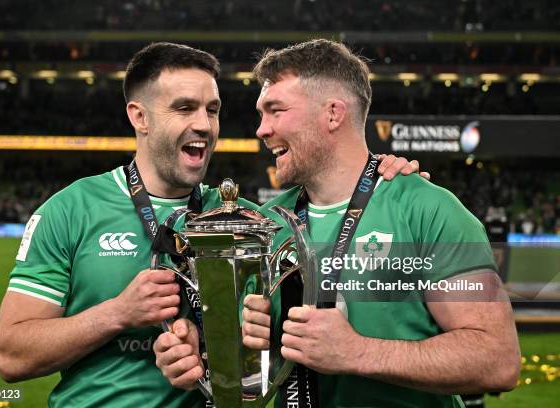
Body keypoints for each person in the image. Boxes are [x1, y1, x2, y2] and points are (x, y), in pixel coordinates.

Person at [0, 42, 421, 407]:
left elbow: (267, 353)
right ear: (140, 117)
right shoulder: (71, 210)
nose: (204, 124)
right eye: (184, 108)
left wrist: (388, 181)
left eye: (212, 109)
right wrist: (118, 313)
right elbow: (12, 356)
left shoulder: (251, 219)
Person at [154, 39, 521, 407]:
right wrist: (198, 355)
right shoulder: (265, 225)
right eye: (261, 115)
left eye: (275, 110)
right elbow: (247, 373)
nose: (262, 130)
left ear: (333, 114)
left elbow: (497, 358)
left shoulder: (427, 210)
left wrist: (357, 352)